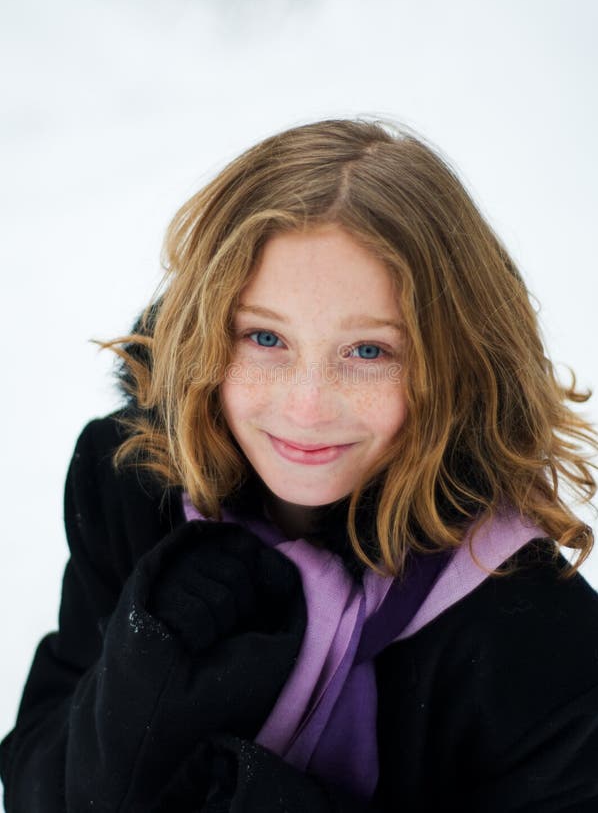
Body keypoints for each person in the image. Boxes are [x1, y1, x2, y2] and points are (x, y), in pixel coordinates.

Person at [2, 118, 598, 812]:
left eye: (368, 351)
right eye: (264, 337)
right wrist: (137, 695)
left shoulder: (534, 636)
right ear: (203, 334)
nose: (307, 406)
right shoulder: (137, 485)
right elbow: (34, 780)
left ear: (458, 363)